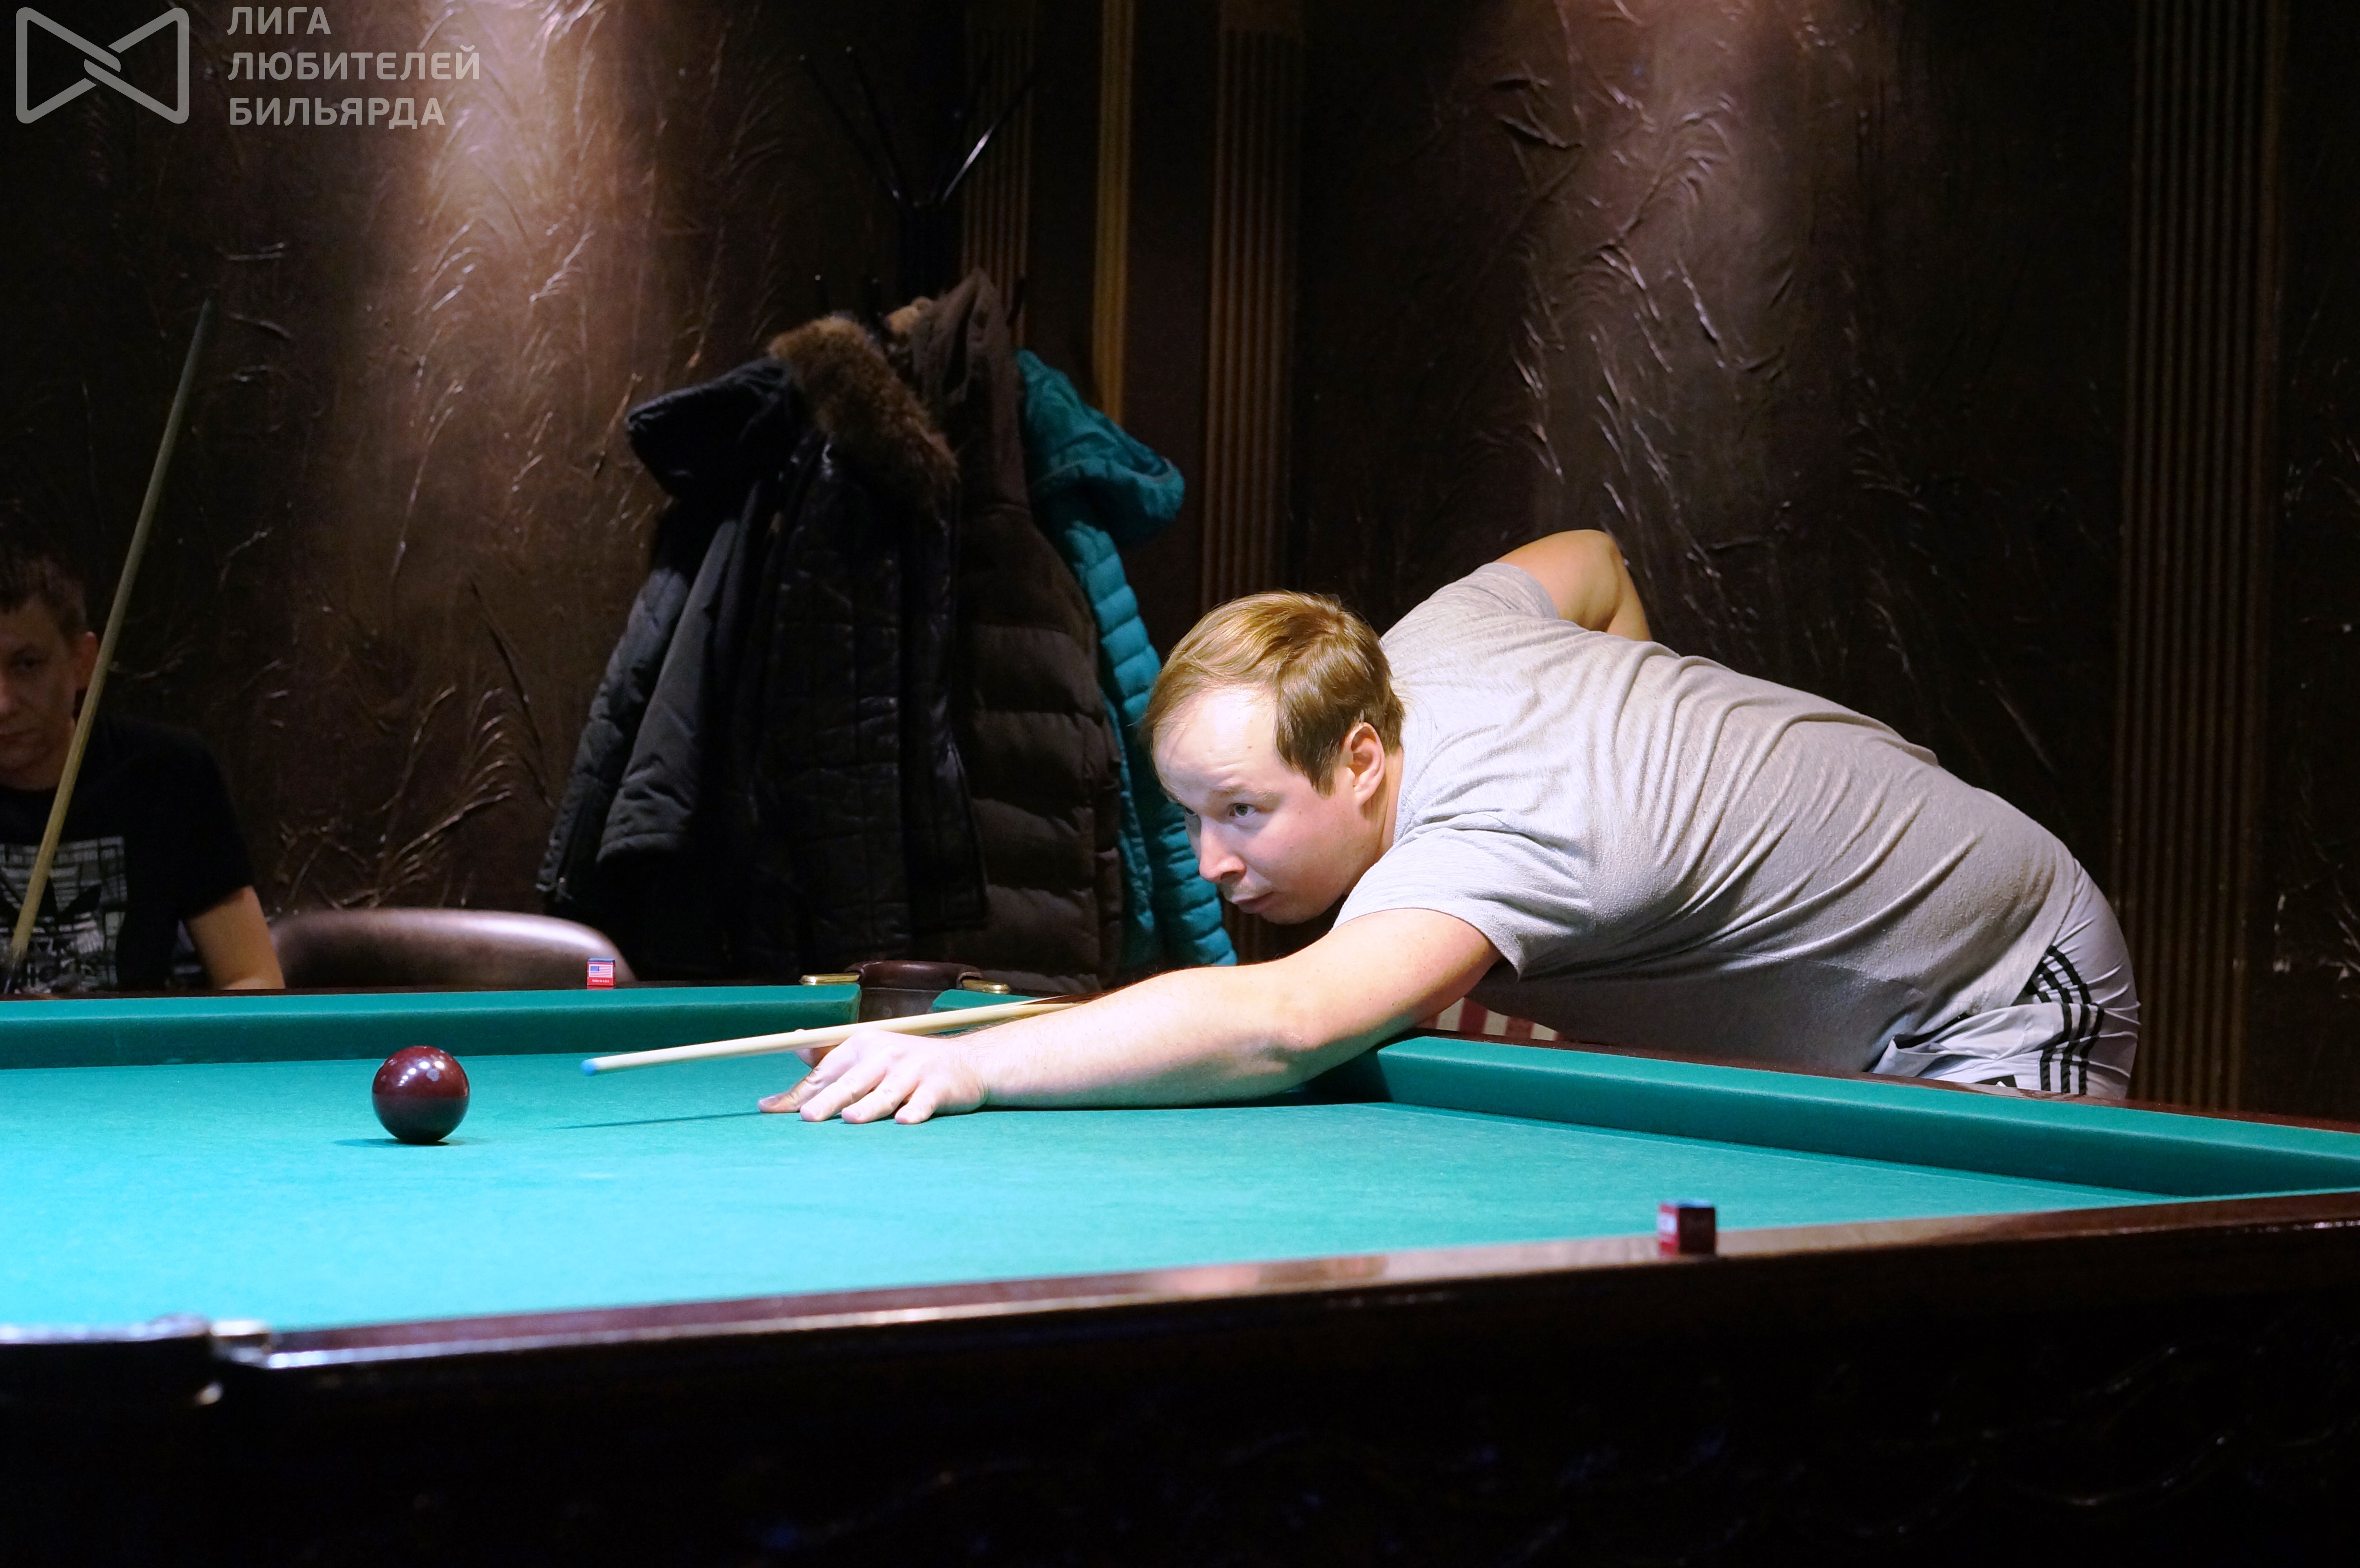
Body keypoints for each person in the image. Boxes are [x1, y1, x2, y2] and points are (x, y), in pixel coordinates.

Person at [762, 530, 2137, 1124]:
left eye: (1244, 811)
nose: (1214, 862)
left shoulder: (1498, 839)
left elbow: (1283, 1022)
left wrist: (973, 1065)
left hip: (2002, 984)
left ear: (1361, 756)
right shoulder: (1422, 641)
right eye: (1190, 815)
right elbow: (1592, 558)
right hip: (1835, 1003)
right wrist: (1636, 723)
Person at [0, 535, 281, 992]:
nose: (3, 704)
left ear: (82, 662)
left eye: (26, 664)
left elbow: (253, 977)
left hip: (134, 1041)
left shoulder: (169, 773)